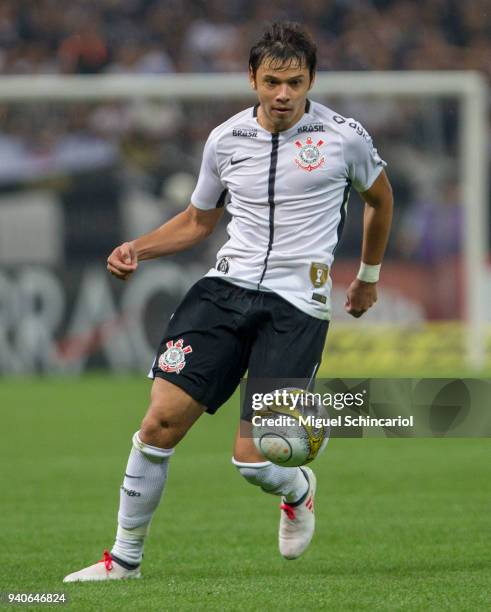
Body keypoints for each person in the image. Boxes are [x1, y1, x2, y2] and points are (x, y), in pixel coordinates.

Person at [64, 21, 393, 582]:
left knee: (253, 458)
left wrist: (367, 276)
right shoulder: (225, 139)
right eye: (272, 82)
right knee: (159, 424)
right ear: (252, 79)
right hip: (223, 291)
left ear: (311, 79)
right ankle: (123, 561)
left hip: (296, 304)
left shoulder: (344, 137)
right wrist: (137, 249)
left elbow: (380, 202)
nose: (283, 94)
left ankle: (298, 488)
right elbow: (198, 220)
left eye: (294, 82)